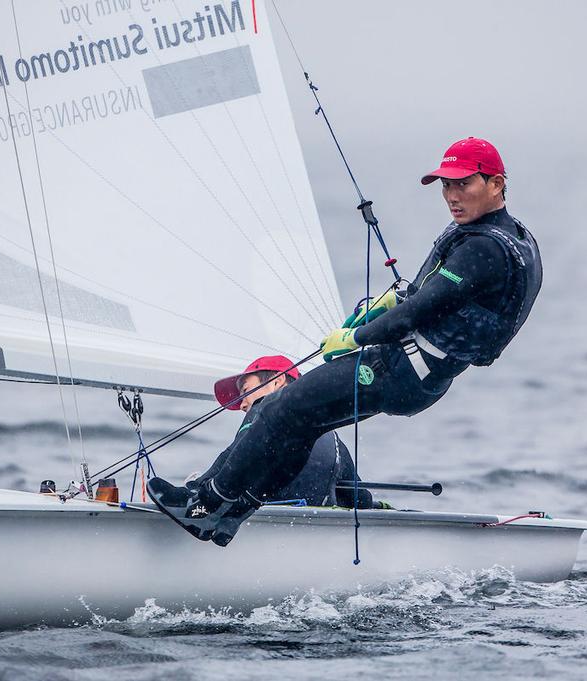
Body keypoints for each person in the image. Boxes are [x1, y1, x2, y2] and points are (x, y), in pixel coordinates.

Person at [149, 137, 542, 547]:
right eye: (446, 185)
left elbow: (413, 316)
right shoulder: (505, 236)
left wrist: (353, 337)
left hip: (401, 368)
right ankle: (233, 514)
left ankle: (204, 505)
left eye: (463, 184)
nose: (451, 196)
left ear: (496, 183)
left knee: (280, 407)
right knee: (301, 424)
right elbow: (428, 295)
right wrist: (386, 301)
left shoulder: (485, 249)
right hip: (418, 373)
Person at [184, 355, 373, 514]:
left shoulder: (263, 409)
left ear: (277, 381)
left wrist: (197, 488)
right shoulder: (330, 433)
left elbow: (232, 458)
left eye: (245, 391)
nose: (241, 404)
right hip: (321, 536)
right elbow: (360, 499)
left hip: (270, 528)